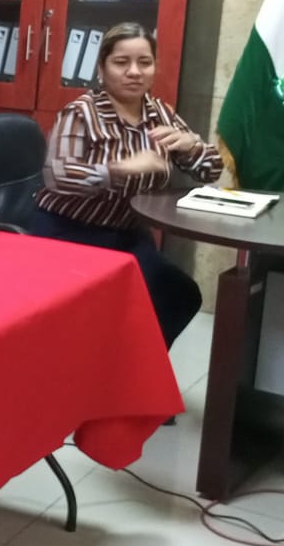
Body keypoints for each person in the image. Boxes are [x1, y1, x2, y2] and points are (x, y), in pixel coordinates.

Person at [32, 22, 223, 349]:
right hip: (69, 232)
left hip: (127, 234)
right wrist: (121, 168)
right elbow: (58, 175)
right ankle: (107, 366)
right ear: (102, 68)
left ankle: (133, 369)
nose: (134, 72)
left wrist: (191, 147)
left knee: (180, 294)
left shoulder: (159, 113)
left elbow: (211, 171)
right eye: (122, 62)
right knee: (125, 303)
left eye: (144, 62)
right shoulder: (80, 113)